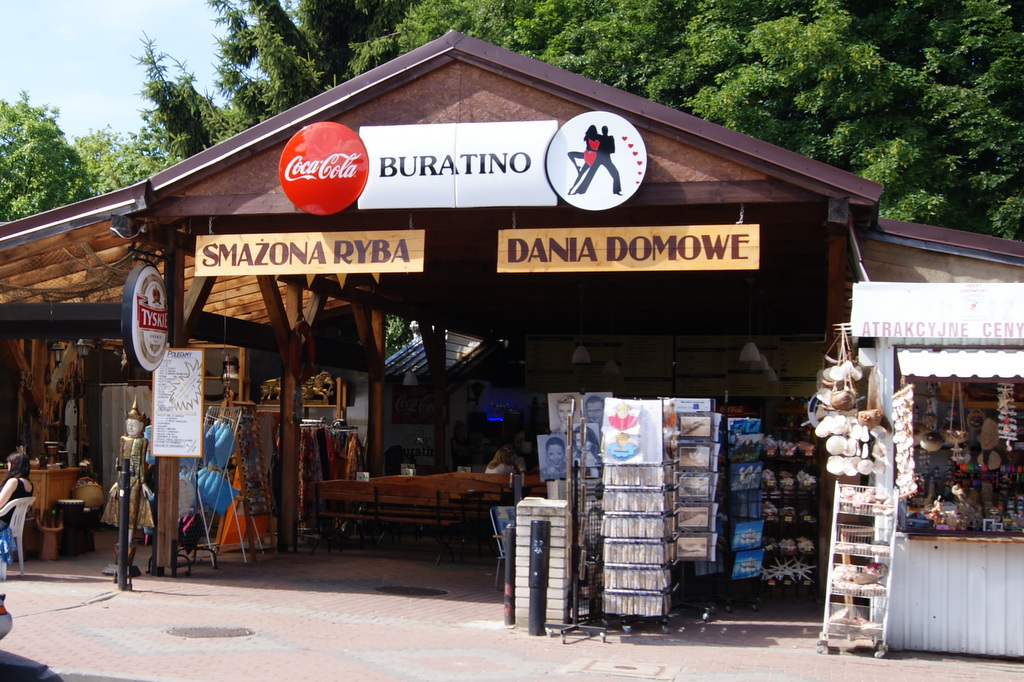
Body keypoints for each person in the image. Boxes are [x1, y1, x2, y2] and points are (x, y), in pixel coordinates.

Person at [101, 398, 154, 534]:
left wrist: (143, 482)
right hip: (123, 478)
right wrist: (117, 482)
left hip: (136, 479)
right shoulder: (123, 439)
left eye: (134, 424)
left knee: (133, 508)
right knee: (121, 507)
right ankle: (122, 538)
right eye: (128, 424)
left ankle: (128, 540)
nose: (130, 427)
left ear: (141, 426)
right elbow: (120, 461)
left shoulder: (143, 441)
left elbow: (141, 464)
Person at [0, 450, 34, 531]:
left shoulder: (13, 482)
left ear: (15, 465)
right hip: (14, 524)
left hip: (3, 523)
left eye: (9, 462)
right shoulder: (30, 484)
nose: (7, 464)